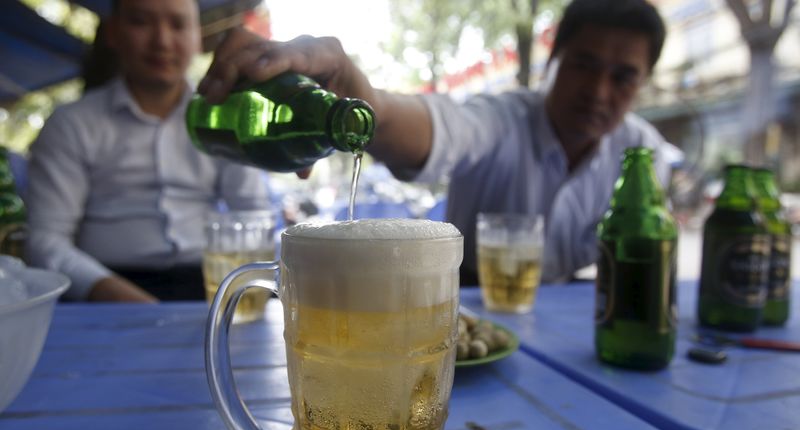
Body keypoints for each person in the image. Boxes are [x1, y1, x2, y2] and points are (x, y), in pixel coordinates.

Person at [198, 0, 671, 284]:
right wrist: (365, 99)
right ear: (555, 59)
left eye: (623, 77)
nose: (598, 92)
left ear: (646, 81)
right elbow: (439, 127)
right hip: (462, 309)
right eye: (584, 65)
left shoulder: (643, 158)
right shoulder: (502, 120)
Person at [26, 0, 272, 302]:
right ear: (113, 33)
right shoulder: (71, 125)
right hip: (103, 289)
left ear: (198, 36)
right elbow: (45, 240)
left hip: (212, 287)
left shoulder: (225, 118)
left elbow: (254, 216)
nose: (162, 41)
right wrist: (124, 299)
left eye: (178, 25)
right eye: (141, 22)